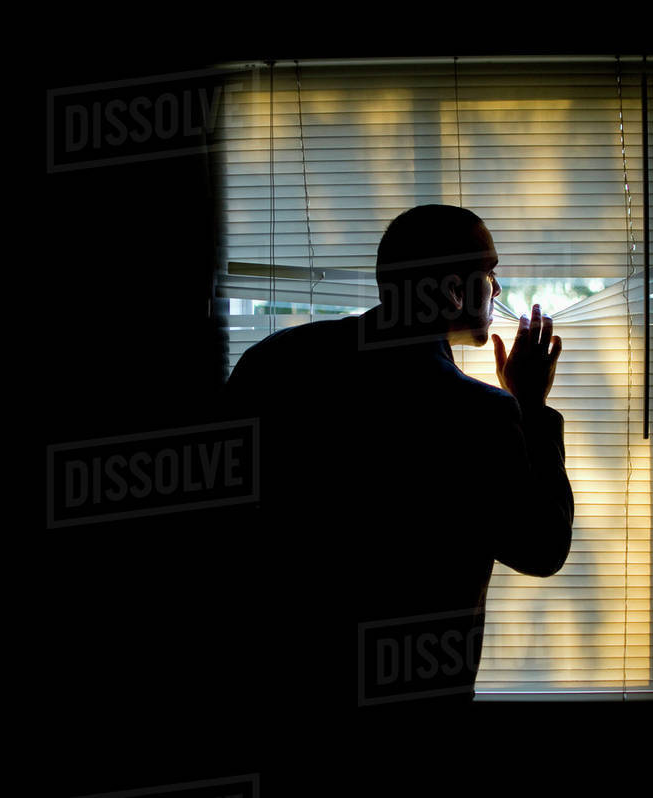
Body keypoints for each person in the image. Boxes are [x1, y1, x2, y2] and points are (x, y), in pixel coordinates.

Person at [221, 204, 573, 727]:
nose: (497, 290)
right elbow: (542, 547)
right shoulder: (480, 415)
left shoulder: (274, 361)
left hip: (277, 698)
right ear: (454, 292)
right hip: (412, 712)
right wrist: (531, 406)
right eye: (489, 273)